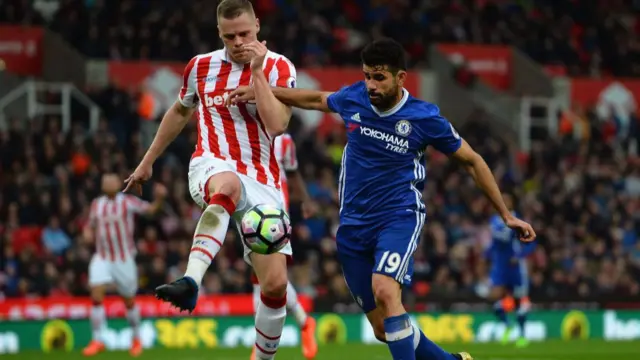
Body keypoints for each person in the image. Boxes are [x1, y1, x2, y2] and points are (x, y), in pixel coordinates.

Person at [228, 38, 537, 360]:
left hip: (398, 217)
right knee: (382, 327)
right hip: (353, 226)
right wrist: (263, 91)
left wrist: (506, 215)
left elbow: (473, 160)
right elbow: (316, 98)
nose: (371, 85)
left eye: (379, 77)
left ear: (400, 78)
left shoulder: (424, 117)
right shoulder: (355, 98)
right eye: (367, 76)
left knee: (387, 292)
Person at [124, 1, 297, 358]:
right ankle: (191, 280)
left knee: (276, 285)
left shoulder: (279, 66)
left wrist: (258, 72)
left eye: (245, 34)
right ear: (219, 33)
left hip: (263, 178)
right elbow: (180, 111)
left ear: (258, 27)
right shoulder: (200, 67)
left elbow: (278, 124)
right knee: (229, 185)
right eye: (229, 35)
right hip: (212, 163)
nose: (238, 41)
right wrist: (147, 162)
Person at [249, 132, 318, 360]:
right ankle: (304, 322)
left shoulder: (285, 140)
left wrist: (305, 200)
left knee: (270, 277)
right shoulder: (242, 129)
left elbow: (293, 172)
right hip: (250, 212)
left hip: (274, 217)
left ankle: (262, 343)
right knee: (260, 277)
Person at [82, 173, 167, 357]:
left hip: (124, 258)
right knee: (96, 294)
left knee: (129, 301)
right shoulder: (97, 204)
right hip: (102, 257)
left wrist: (159, 199)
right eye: (105, 181)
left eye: (111, 180)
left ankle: (136, 338)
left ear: (117, 183)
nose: (108, 183)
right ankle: (97, 339)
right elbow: (90, 225)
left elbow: (150, 211)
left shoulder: (127, 202)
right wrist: (87, 233)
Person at [485, 194, 536, 348]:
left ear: (512, 202)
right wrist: (485, 255)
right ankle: (507, 325)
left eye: (507, 199)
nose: (504, 201)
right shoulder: (494, 221)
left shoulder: (517, 220)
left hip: (515, 266)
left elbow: (532, 243)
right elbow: (495, 243)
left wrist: (519, 255)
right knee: (493, 297)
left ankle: (521, 335)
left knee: (518, 300)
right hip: (500, 266)